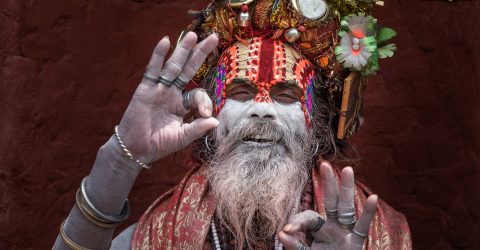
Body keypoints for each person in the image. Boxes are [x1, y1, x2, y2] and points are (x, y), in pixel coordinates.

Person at [53, 1, 411, 249]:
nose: (261, 109)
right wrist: (121, 158)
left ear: (316, 125)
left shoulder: (381, 234)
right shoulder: (157, 234)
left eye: (286, 95)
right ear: (211, 112)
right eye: (240, 91)